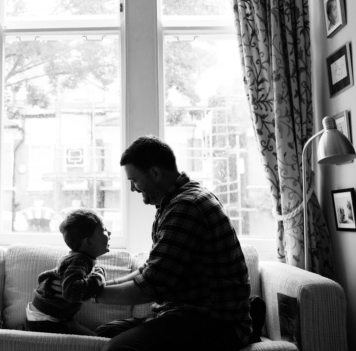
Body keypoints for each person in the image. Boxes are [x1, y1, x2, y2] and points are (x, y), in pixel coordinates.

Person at [90, 135, 252, 351]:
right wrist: (100, 285)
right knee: (104, 333)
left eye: (134, 181)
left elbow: (152, 286)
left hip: (216, 322)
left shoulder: (187, 207)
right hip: (184, 313)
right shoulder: (173, 203)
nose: (133, 189)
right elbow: (149, 269)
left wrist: (91, 294)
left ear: (155, 173)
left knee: (117, 349)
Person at [25, 208, 111, 336]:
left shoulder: (76, 258)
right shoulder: (80, 261)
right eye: (103, 230)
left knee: (96, 338)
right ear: (88, 242)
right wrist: (99, 275)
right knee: (96, 342)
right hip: (46, 321)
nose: (109, 232)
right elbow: (73, 293)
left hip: (48, 316)